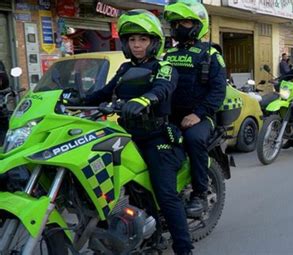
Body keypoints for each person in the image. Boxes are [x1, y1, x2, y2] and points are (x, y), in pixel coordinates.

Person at [76, 9, 193, 255]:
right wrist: (74, 99)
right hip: (126, 136)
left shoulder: (165, 67)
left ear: (153, 43)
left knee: (165, 194)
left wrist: (145, 100)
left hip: (157, 137)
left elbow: (163, 88)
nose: (137, 45)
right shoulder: (124, 70)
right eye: (132, 40)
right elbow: (103, 94)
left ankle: (184, 248)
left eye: (142, 39)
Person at [163, 0, 226, 217]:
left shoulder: (211, 55)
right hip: (170, 116)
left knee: (193, 140)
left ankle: (199, 194)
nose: (180, 27)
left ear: (199, 25)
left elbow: (218, 91)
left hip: (201, 117)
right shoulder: (168, 55)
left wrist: (198, 114)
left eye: (186, 22)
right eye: (176, 23)